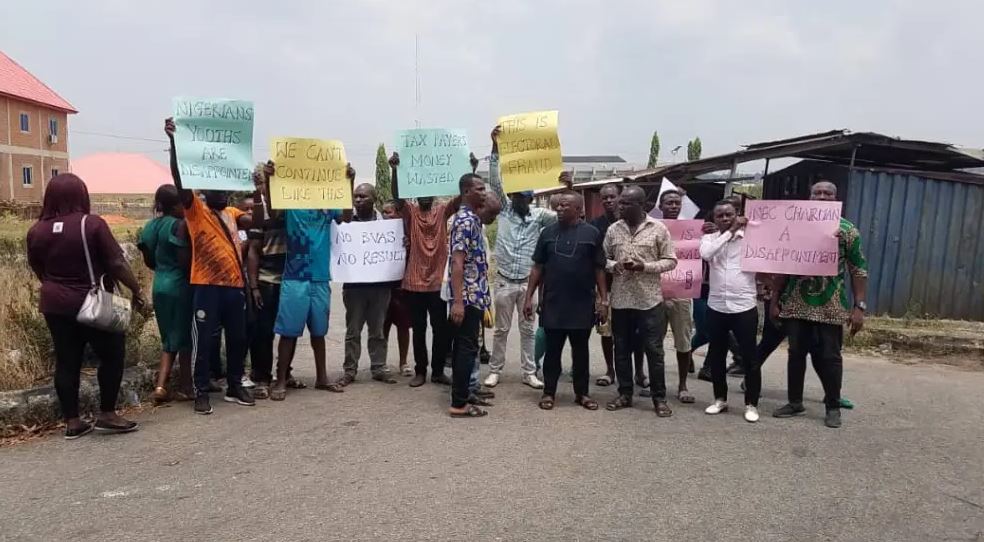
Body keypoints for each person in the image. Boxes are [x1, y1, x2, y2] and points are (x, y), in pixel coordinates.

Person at [26, 173, 146, 438]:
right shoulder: (91, 224)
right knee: (112, 354)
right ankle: (107, 414)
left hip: (54, 304)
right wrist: (136, 290)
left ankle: (72, 422)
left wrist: (54, 286)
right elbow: (116, 263)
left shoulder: (36, 230)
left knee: (66, 360)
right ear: (81, 195)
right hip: (91, 301)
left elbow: (36, 266)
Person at [165, 118, 255, 415]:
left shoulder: (233, 212)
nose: (224, 193)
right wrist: (175, 143)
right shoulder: (195, 210)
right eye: (219, 188)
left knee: (238, 338)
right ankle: (201, 391)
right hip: (206, 286)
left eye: (227, 189)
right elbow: (180, 179)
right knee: (204, 341)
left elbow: (259, 222)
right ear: (205, 189)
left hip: (234, 287)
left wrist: (261, 191)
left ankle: (235, 385)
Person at [772, 180, 868, 428]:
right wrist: (775, 300)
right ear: (810, 197)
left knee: (830, 356)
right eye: (817, 193)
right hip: (796, 302)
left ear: (836, 199)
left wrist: (859, 306)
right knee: (796, 354)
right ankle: (795, 402)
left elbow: (858, 270)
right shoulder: (793, 227)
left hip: (831, 303)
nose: (822, 197)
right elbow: (782, 264)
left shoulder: (847, 230)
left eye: (828, 193)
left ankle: (833, 407)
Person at [269, 166, 354, 399]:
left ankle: (322, 378)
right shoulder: (291, 206)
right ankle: (281, 380)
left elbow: (346, 217)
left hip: (319, 277)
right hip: (295, 277)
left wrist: (349, 182)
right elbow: (273, 211)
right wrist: (269, 179)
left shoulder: (328, 206)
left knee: (319, 331)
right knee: (288, 332)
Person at [485, 125, 558, 390]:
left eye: (526, 198)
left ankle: (529, 372)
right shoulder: (504, 211)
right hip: (504, 280)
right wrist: (495, 147)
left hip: (528, 283)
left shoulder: (540, 216)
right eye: (517, 196)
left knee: (527, 330)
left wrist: (568, 185)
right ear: (512, 196)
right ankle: (495, 370)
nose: (521, 201)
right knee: (501, 331)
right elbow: (495, 181)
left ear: (531, 198)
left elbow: (565, 214)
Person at [523, 190, 608, 411]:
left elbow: (599, 268)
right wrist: (528, 297)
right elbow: (538, 267)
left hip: (582, 303)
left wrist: (603, 300)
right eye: (558, 205)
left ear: (578, 209)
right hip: (553, 302)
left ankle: (582, 394)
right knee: (552, 351)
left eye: (564, 205)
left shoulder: (592, 233)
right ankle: (549, 392)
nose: (559, 209)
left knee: (581, 352)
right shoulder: (547, 233)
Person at [603, 185, 677, 416]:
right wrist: (614, 265)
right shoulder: (613, 229)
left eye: (626, 203)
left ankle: (659, 398)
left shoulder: (658, 229)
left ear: (641, 205)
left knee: (654, 351)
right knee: (621, 349)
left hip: (649, 301)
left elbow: (670, 261)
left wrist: (644, 267)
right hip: (621, 300)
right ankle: (625, 393)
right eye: (620, 202)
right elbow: (602, 259)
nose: (620, 206)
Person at [389, 153, 452, 388]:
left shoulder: (443, 211)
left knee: (440, 329)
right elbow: (397, 197)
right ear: (416, 193)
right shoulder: (411, 212)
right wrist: (395, 170)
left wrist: (471, 169)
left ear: (434, 193)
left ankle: (438, 371)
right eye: (420, 191)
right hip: (415, 283)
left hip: (437, 283)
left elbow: (462, 199)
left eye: (429, 191)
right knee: (418, 329)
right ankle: (420, 371)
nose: (425, 195)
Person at [699, 200, 762, 422]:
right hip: (717, 305)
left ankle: (751, 404)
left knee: (750, 357)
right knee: (717, 354)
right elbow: (706, 254)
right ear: (714, 219)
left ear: (738, 214)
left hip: (744, 305)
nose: (725, 219)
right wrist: (728, 233)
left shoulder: (751, 238)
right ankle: (720, 399)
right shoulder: (709, 239)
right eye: (720, 216)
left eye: (729, 214)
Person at [138, 184, 193, 404]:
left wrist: (163, 268)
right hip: (179, 283)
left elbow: (149, 260)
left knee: (168, 336)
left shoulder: (150, 226)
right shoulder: (179, 225)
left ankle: (162, 386)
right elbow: (184, 262)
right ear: (175, 206)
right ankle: (185, 386)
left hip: (159, 283)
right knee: (184, 338)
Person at [340, 184, 397, 384]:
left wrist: (401, 243)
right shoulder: (345, 222)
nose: (358, 200)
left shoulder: (386, 224)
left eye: (363, 196)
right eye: (355, 196)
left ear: (374, 199)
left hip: (379, 286)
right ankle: (349, 370)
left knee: (378, 330)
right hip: (354, 286)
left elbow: (395, 247)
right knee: (353, 330)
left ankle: (379, 367)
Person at [447, 173, 490, 418]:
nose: (484, 193)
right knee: (465, 348)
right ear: (466, 192)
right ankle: (459, 403)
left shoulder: (473, 219)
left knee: (467, 348)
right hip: (468, 296)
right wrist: (458, 302)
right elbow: (457, 262)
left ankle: (463, 394)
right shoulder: (464, 221)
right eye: (479, 189)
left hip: (475, 294)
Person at [246, 161, 288, 400]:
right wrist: (254, 286)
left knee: (289, 331)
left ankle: (285, 374)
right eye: (261, 183)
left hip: (290, 280)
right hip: (267, 279)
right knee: (263, 331)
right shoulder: (259, 212)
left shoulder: (294, 210)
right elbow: (253, 249)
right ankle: (261, 377)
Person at [381, 200, 413, 377]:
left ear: (399, 213)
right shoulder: (376, 231)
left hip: (401, 286)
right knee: (383, 325)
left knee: (403, 326)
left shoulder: (407, 231)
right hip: (383, 286)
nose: (386, 215)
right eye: (384, 212)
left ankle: (403, 362)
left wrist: (408, 244)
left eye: (390, 212)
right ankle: (381, 362)